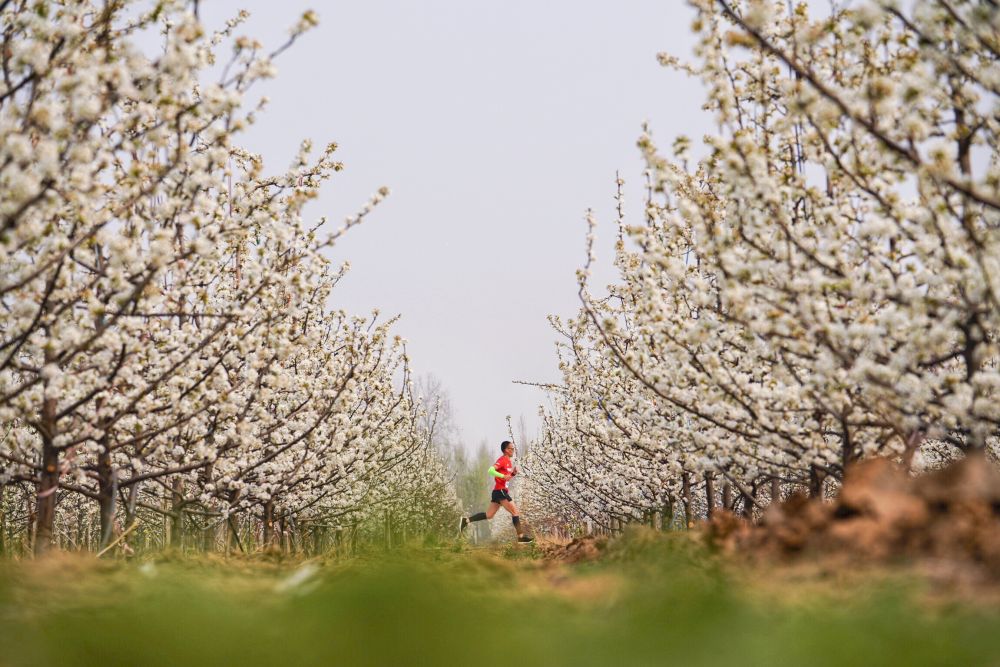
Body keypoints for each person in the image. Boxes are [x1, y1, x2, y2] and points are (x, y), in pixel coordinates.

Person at [460, 440, 533, 542]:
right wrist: (503, 475)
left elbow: (506, 478)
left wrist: (513, 474)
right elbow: (490, 470)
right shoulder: (503, 460)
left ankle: (466, 520)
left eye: (513, 448)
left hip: (498, 491)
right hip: (501, 491)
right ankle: (520, 537)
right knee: (515, 512)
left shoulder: (508, 462)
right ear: (505, 450)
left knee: (489, 515)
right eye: (511, 448)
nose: (513, 450)